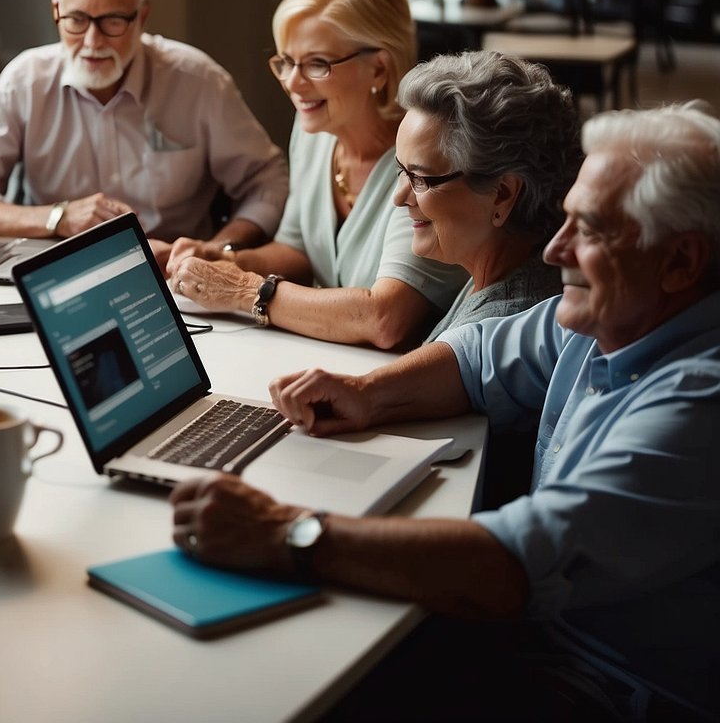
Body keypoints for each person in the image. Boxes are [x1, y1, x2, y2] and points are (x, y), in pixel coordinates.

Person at [170, 102, 720, 721]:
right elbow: (481, 354)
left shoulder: (700, 404)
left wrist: (283, 532)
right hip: (538, 642)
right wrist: (369, 392)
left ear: (680, 262)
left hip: (607, 687)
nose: (555, 250)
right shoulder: (618, 309)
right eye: (566, 221)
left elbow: (512, 565)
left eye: (589, 231)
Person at [0, 0, 288, 265]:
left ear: (141, 16)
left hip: (171, 277)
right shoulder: (25, 81)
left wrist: (219, 251)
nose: (92, 40)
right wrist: (56, 218)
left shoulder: (197, 80)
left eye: (113, 21)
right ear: (57, 11)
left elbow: (267, 180)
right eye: (76, 19)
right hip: (54, 272)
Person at [166, 0, 467, 350]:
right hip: (336, 362)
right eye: (286, 62)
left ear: (379, 67)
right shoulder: (317, 132)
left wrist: (243, 289)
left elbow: (386, 318)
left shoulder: (426, 160)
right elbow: (298, 248)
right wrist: (222, 258)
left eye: (316, 64)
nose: (292, 83)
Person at [393, 49, 581, 342]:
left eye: (420, 178)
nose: (399, 196)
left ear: (501, 195)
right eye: (402, 170)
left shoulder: (501, 327)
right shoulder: (499, 274)